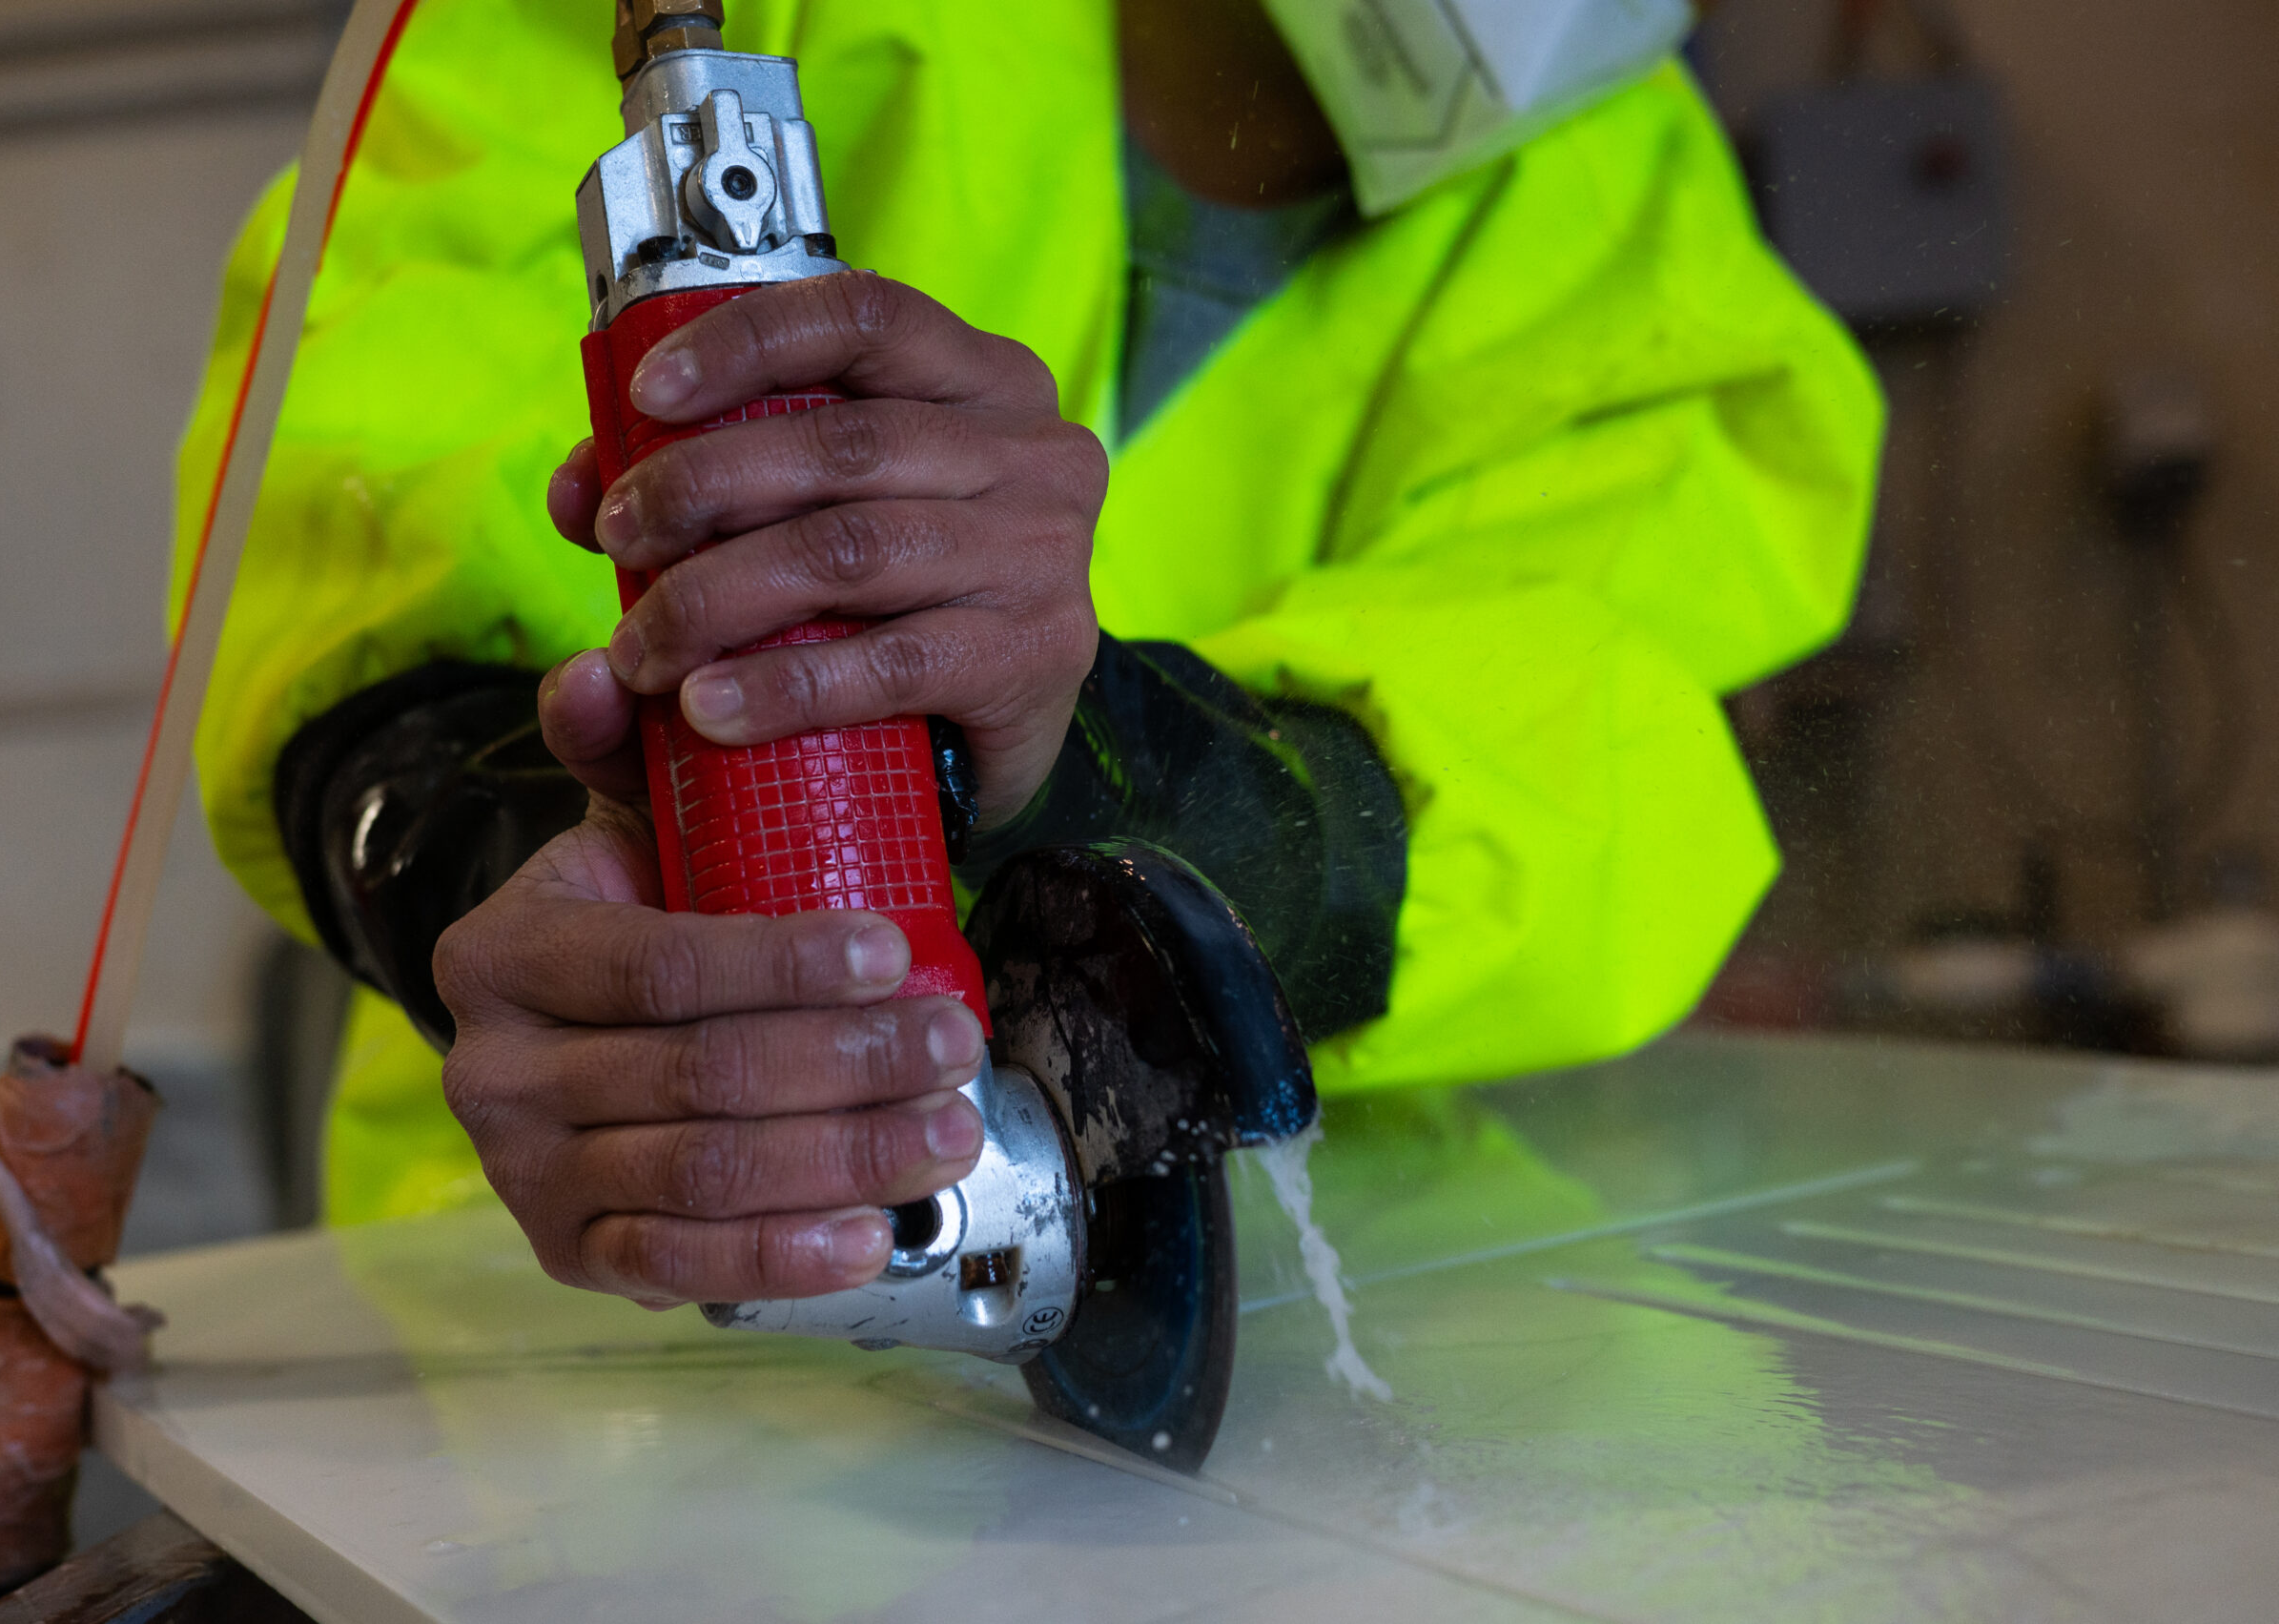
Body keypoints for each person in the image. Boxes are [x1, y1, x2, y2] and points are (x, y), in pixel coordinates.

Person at [177, 0, 1880, 1305]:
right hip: (566, 1340)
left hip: (1308, 1320)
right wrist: (535, 885)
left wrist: (1106, 773)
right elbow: (350, 495)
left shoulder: (1623, 199)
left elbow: (1603, 756)